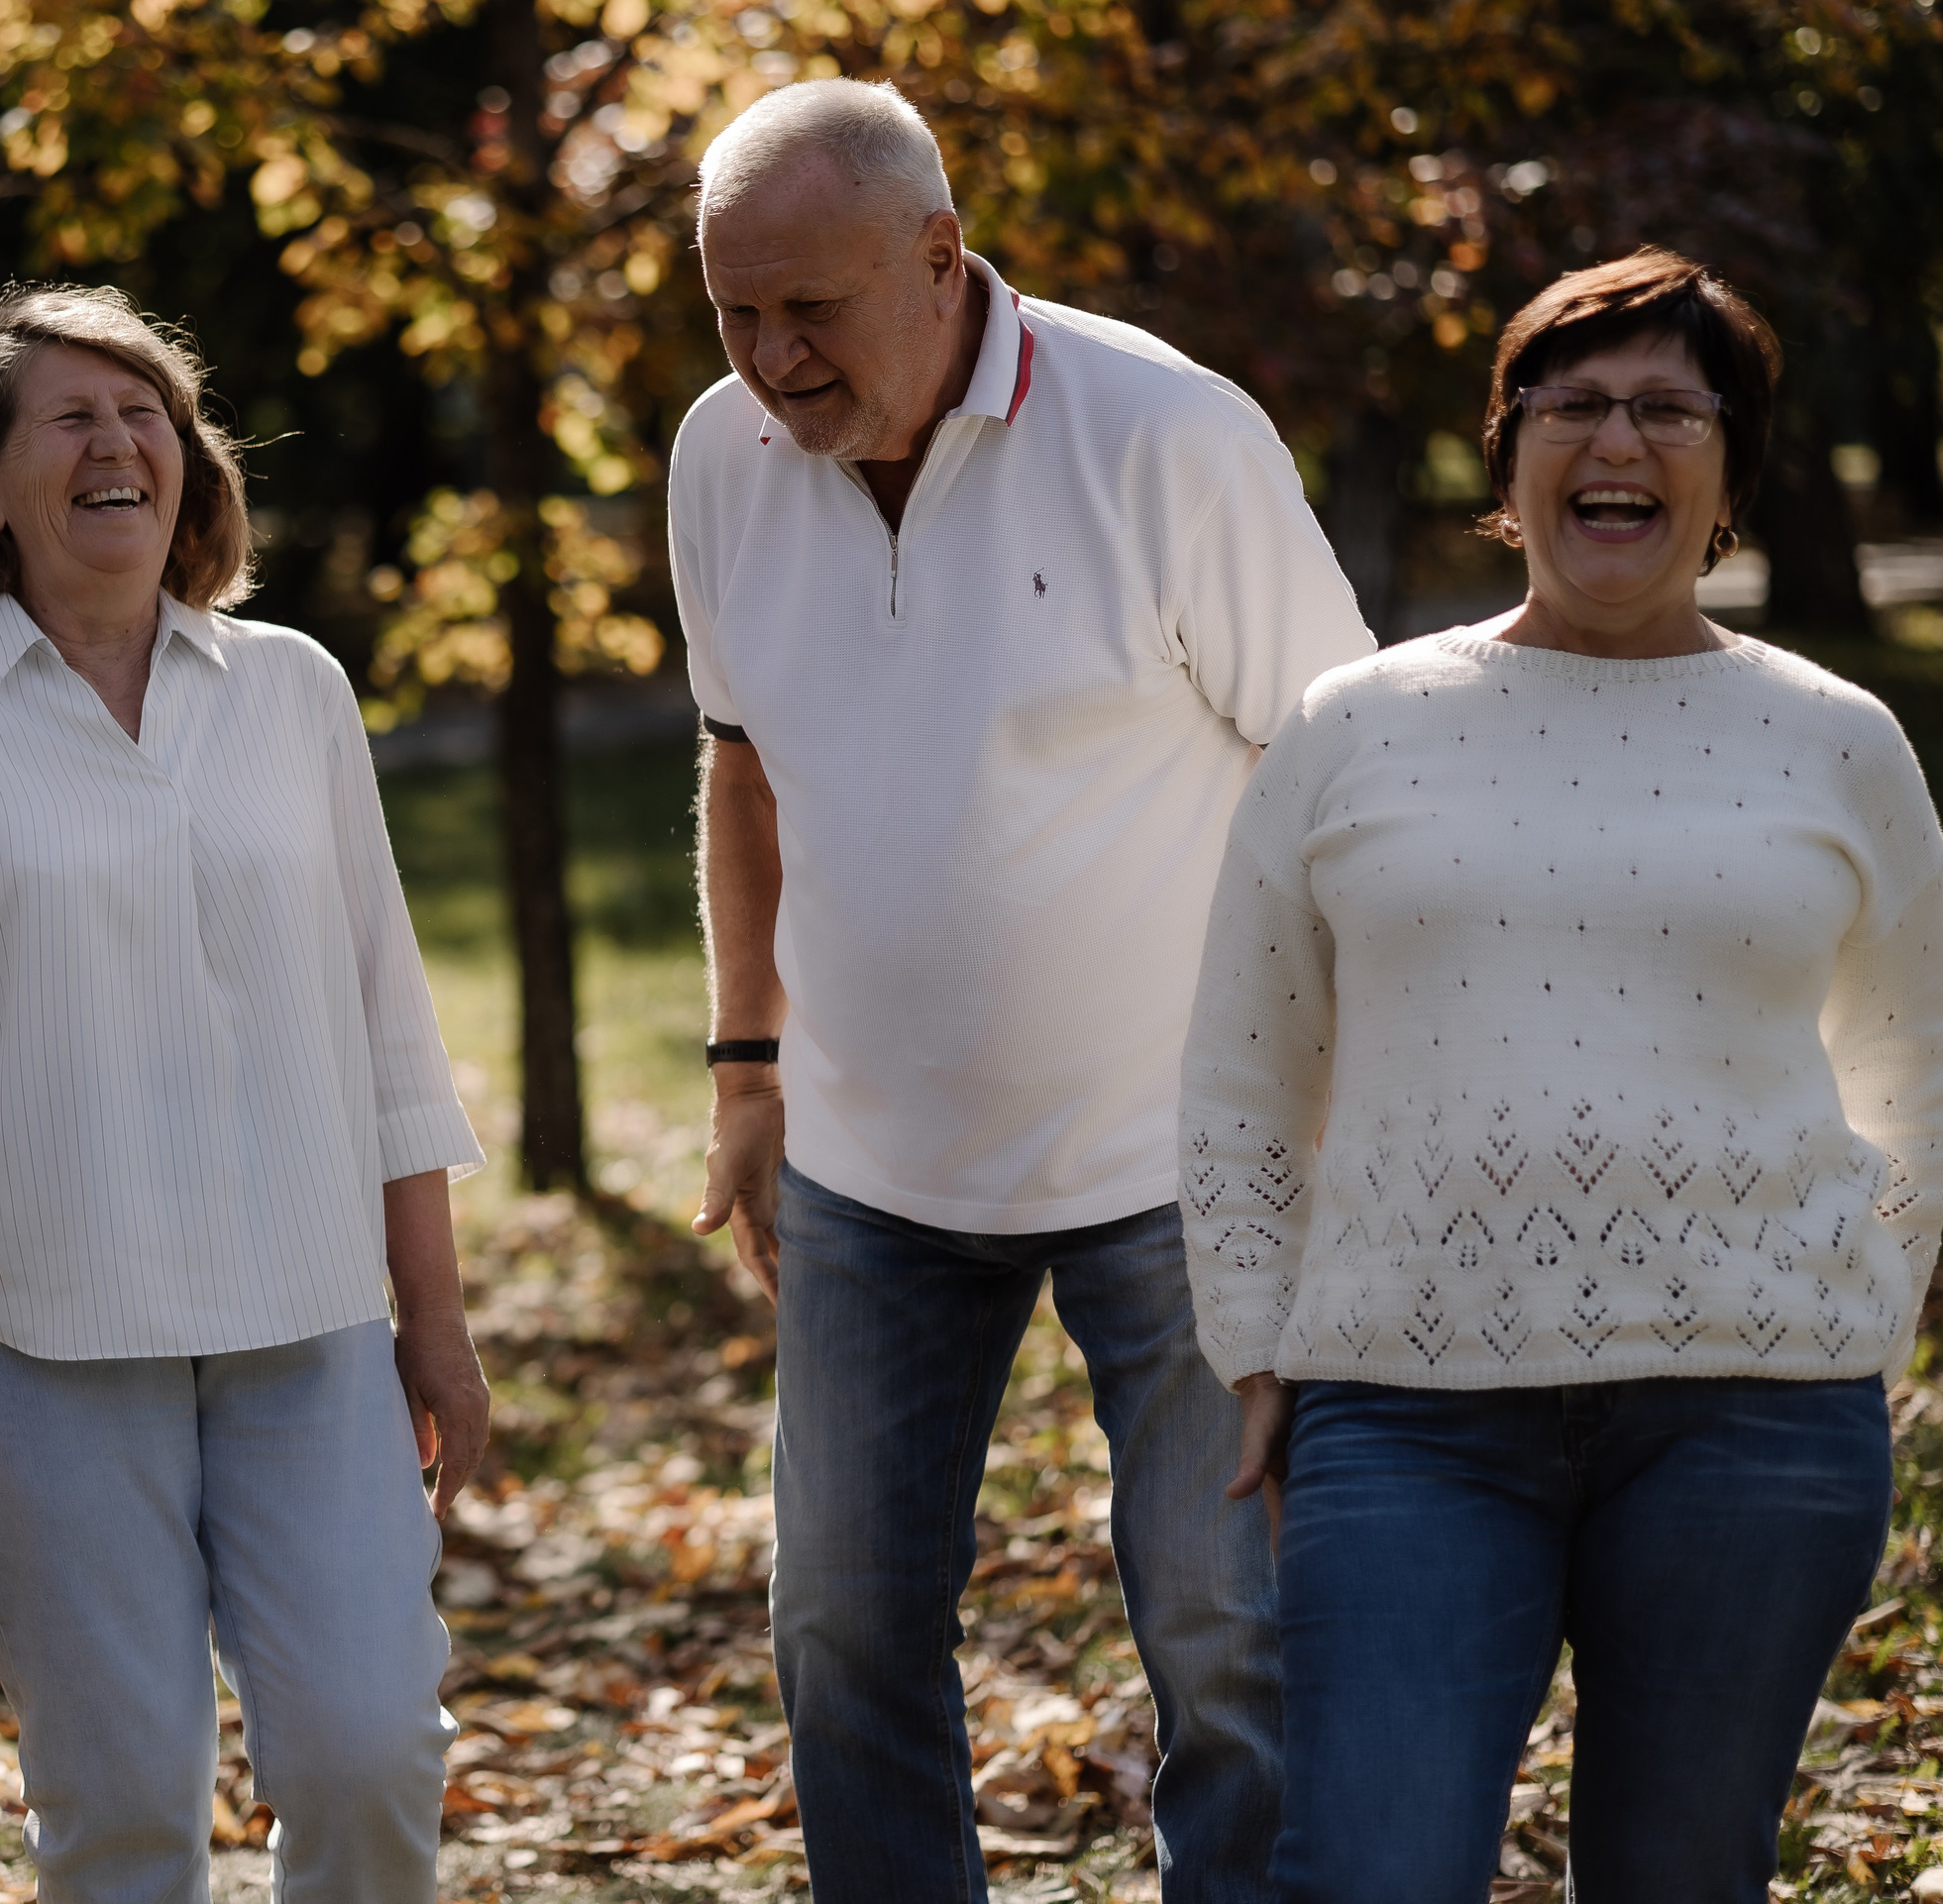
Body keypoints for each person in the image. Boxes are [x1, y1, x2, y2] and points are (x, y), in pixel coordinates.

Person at [676, 78, 1373, 1901]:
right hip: (866, 1171)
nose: (768, 358)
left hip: (1185, 1165)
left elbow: (1347, 778)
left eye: (809, 308)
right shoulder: (719, 457)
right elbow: (739, 765)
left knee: (1232, 1645)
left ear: (939, 258)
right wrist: (748, 1069)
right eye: (730, 310)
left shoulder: (1163, 434)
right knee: (841, 1632)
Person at [1180, 247, 1943, 1901]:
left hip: (1757, 1418)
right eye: (1575, 404)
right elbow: (1245, 1063)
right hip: (1408, 1411)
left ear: (1733, 466)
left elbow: (1913, 1063)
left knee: (1684, 1874)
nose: (1620, 441)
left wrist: (1860, 1310)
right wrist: (1254, 1335)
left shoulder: (1837, 740)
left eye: (1673, 408)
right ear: (1508, 453)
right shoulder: (1356, 722)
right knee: (1373, 1869)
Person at [0, 284, 489, 1904]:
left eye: (146, 409)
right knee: (127, 1813)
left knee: (374, 1752)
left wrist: (430, 1316)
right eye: (71, 418)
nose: (118, 442)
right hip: (31, 1351)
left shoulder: (294, 689)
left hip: (309, 1331)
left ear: (191, 455)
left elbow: (389, 1021)